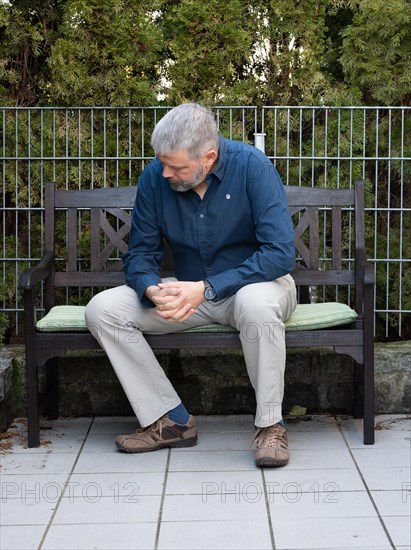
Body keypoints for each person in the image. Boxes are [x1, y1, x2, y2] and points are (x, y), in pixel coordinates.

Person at [85, 102, 297, 467]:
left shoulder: (253, 168)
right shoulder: (155, 177)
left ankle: (270, 426)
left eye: (176, 166)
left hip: (257, 287)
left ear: (209, 157)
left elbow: (279, 254)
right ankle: (171, 421)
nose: (165, 172)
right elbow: (140, 254)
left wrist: (209, 286)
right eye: (162, 162)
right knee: (102, 310)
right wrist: (152, 289)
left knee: (257, 303)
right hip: (188, 294)